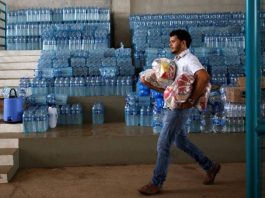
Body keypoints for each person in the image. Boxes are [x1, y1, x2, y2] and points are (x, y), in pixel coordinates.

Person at [138, 29, 221, 195]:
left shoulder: (190, 59)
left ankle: (156, 182)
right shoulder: (175, 62)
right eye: (170, 41)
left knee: (163, 144)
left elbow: (204, 77)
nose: (170, 43)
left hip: (179, 109)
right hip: (173, 105)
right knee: (181, 142)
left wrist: (191, 100)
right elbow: (171, 89)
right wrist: (151, 85)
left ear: (183, 42)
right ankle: (210, 167)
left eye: (174, 41)